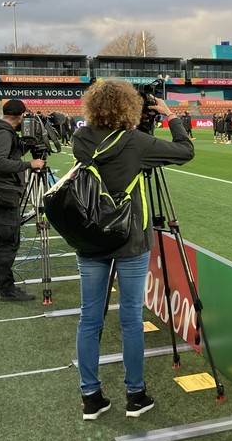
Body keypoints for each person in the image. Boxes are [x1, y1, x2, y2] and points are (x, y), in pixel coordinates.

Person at [71, 80, 194, 420]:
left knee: (89, 318)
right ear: (130, 107)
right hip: (130, 239)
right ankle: (135, 394)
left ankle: (91, 396)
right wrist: (169, 116)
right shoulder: (137, 142)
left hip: (92, 236)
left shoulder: (80, 139)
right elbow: (185, 151)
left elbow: (107, 150)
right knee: (130, 319)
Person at [0, 99, 46, 302]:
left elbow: (9, 155)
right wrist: (30, 164)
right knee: (5, 243)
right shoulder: (3, 133)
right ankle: (6, 289)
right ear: (21, 115)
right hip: (4, 193)